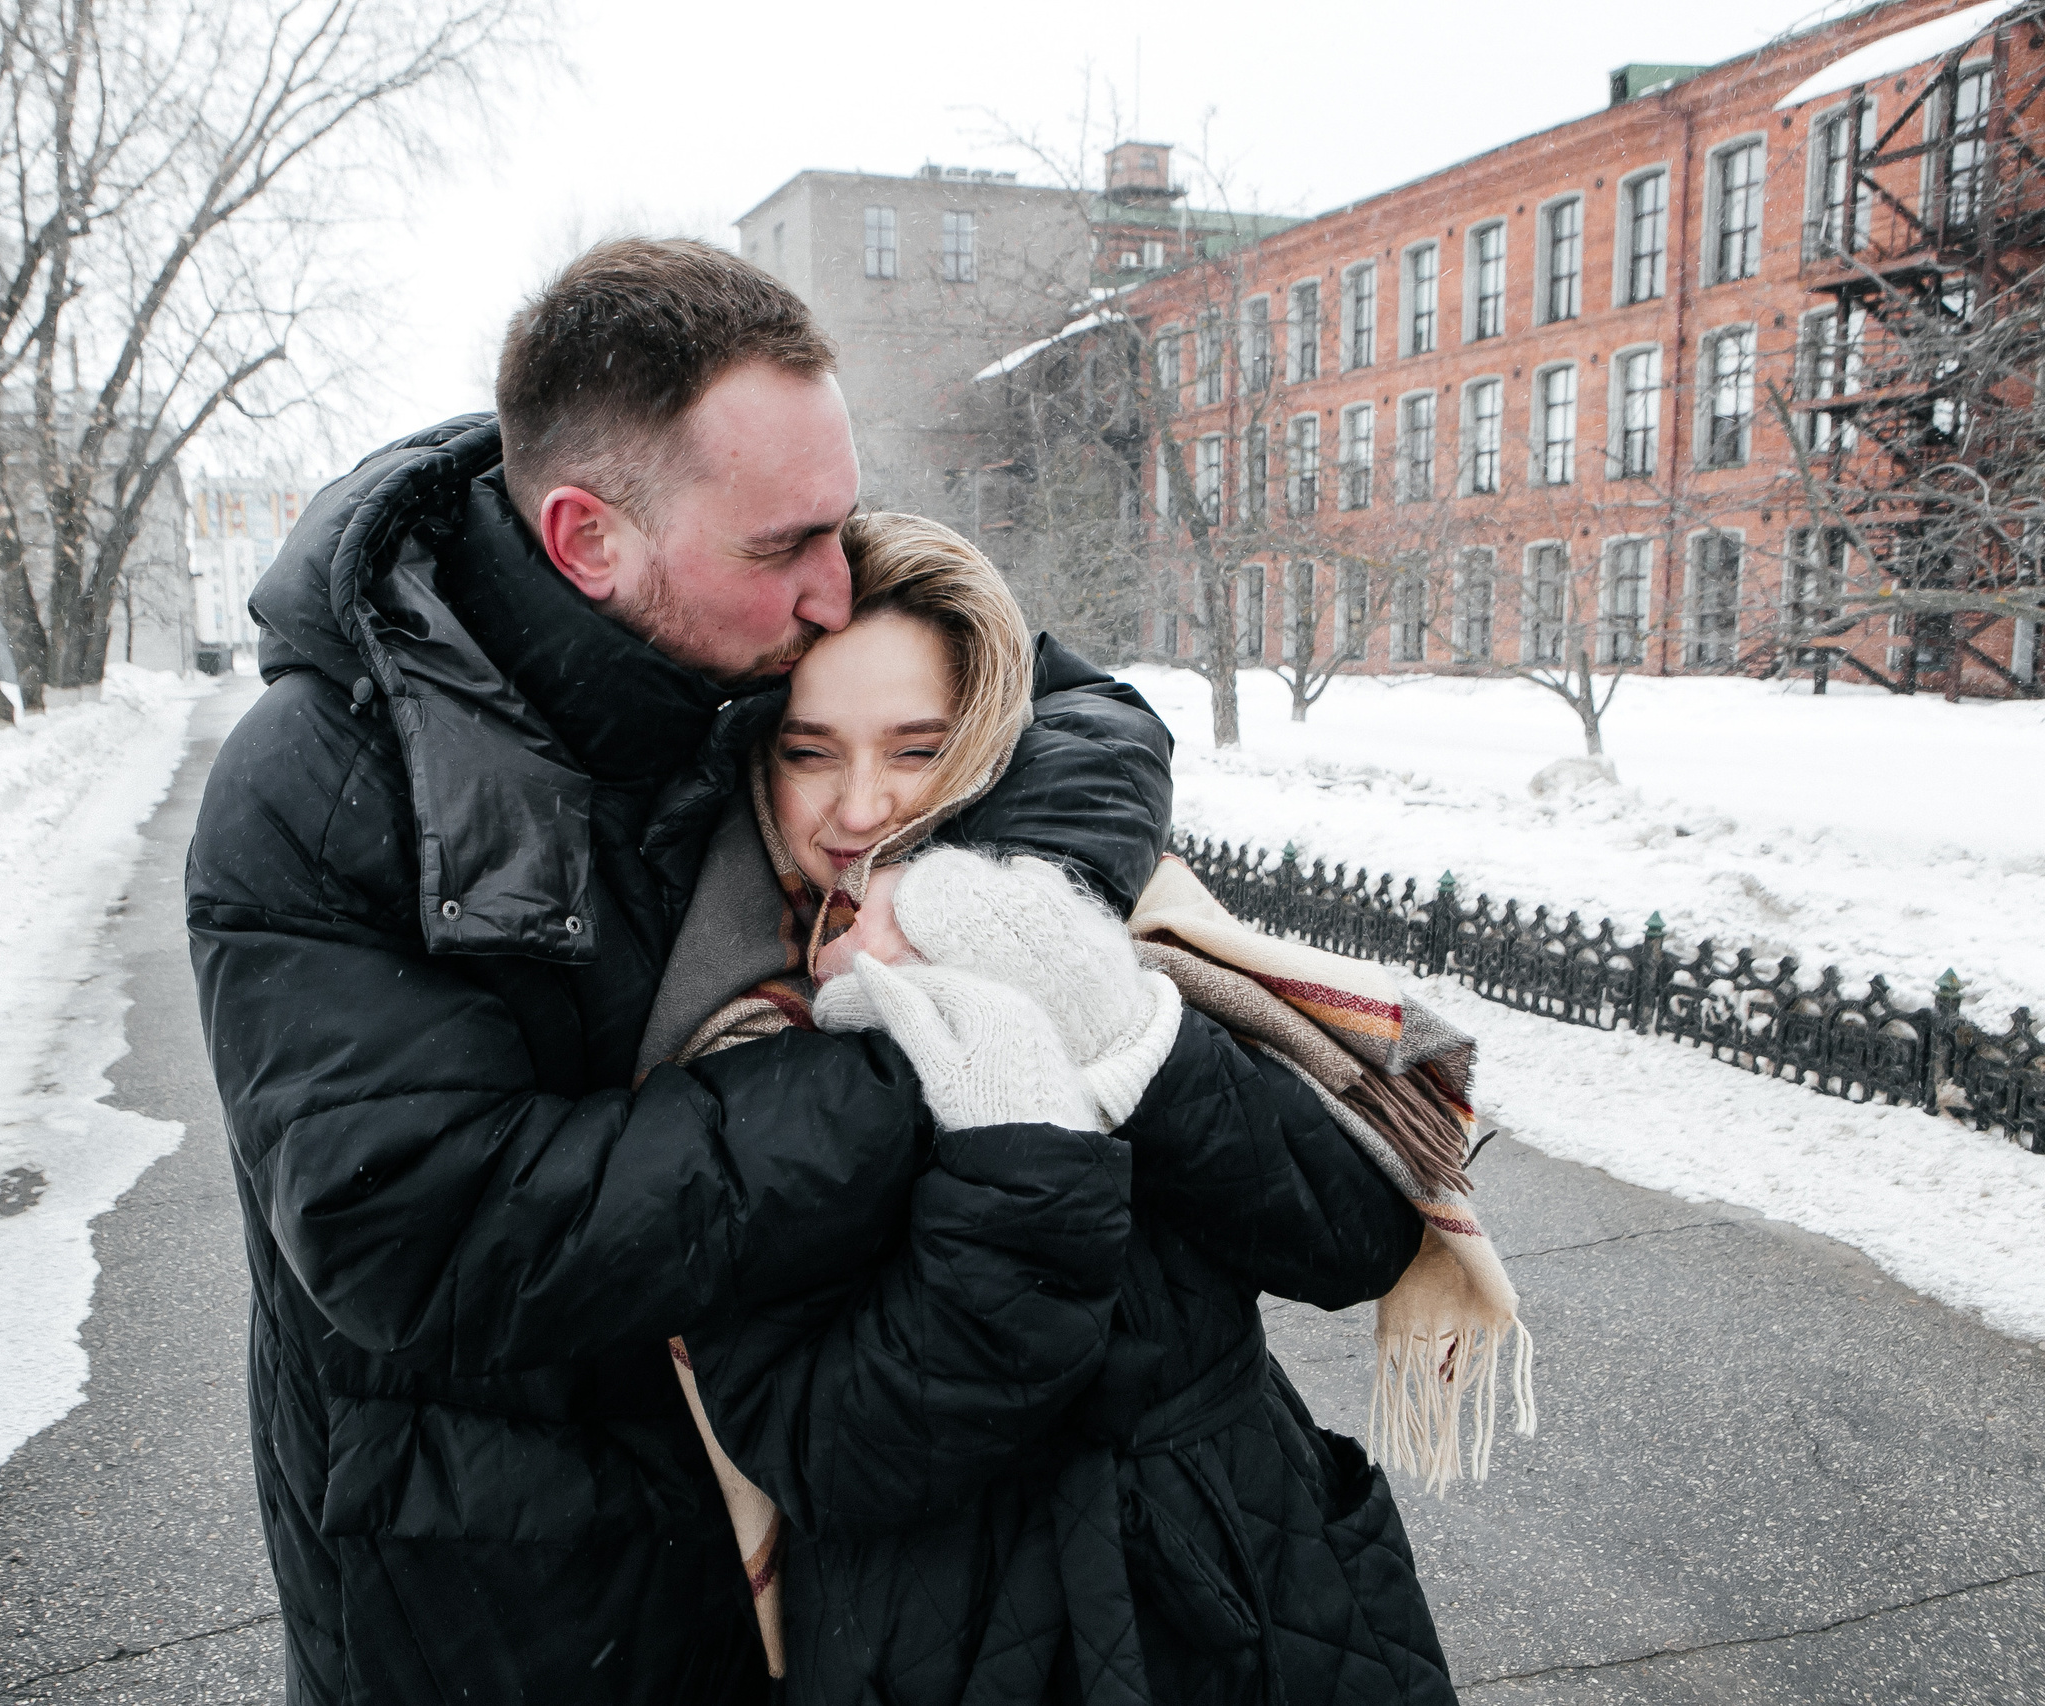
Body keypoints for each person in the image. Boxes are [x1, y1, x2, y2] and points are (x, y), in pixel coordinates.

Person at [184, 238, 1178, 1705]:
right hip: (505, 1597)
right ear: (589, 539)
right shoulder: (326, 780)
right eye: (789, 549)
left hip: (812, 1545)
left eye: (840, 525)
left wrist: (985, 902)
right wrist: (921, 1064)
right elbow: (423, 1230)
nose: (840, 591)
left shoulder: (771, 600)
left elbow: (1076, 711)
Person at [652, 511, 1464, 1704]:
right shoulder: (722, 1017)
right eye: (810, 751)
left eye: (916, 748)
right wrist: (1015, 1153)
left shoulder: (1112, 918)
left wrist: (1120, 1027)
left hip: (1252, 1582)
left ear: (984, 736)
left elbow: (1353, 1239)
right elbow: (825, 1444)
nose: (861, 809)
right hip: (943, 1638)